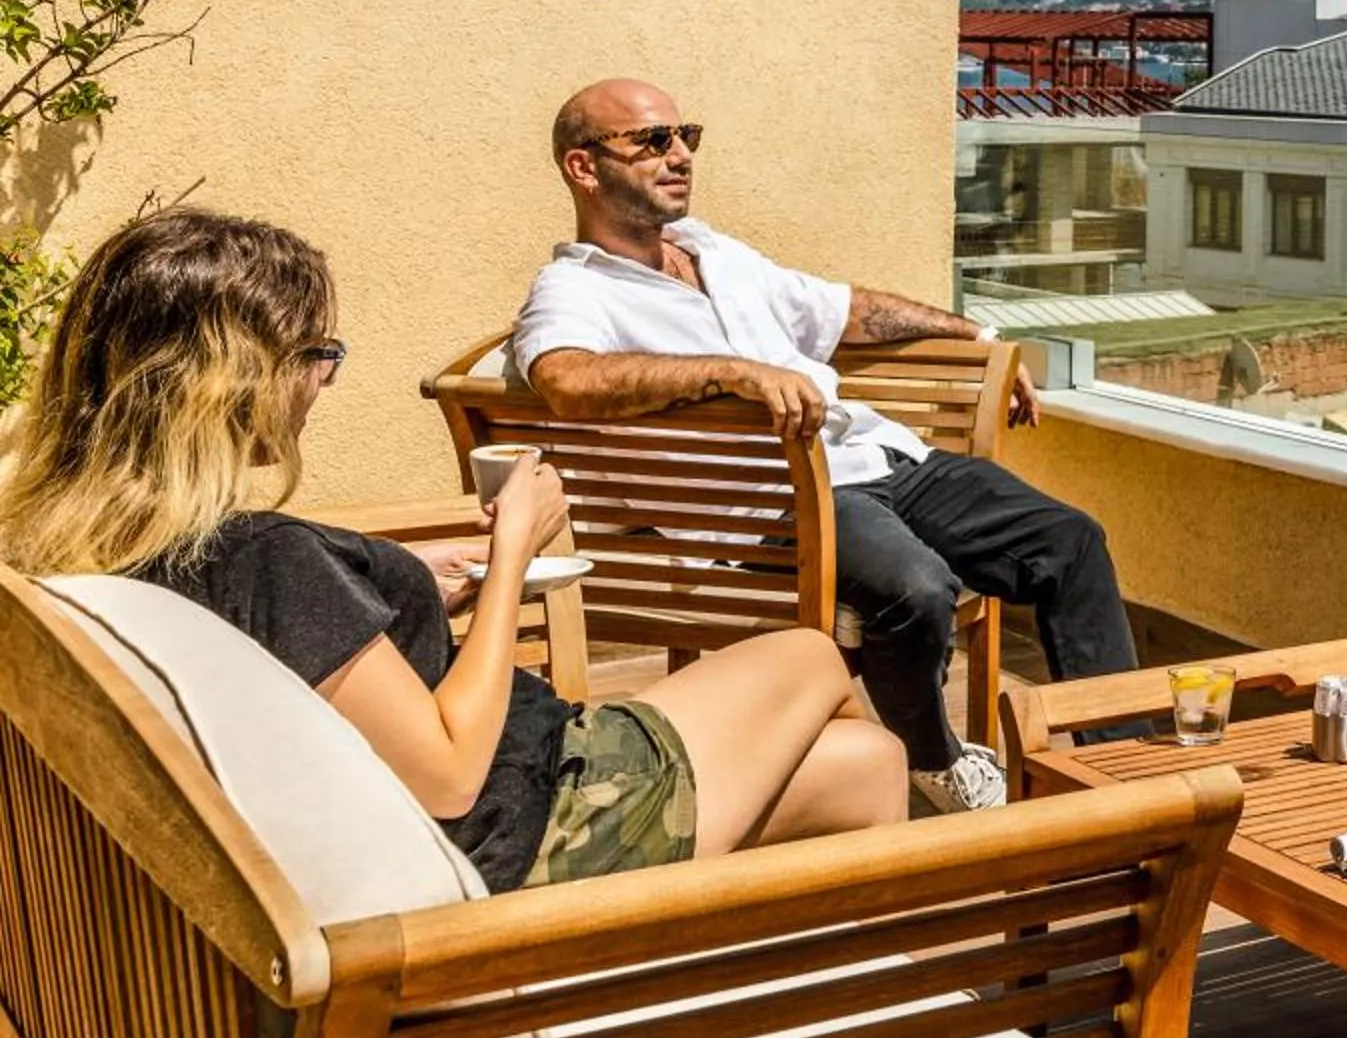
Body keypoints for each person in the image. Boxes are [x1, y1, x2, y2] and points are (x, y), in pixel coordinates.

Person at [0, 209, 907, 894]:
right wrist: (513, 557)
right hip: (529, 821)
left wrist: (412, 596)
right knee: (810, 653)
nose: (324, 381)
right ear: (235, 383)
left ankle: (806, 988)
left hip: (462, 815)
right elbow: (442, 773)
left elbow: (308, 656)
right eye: (318, 354)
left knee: (864, 765)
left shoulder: (83, 545)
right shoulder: (255, 557)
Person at [509, 79, 1136, 815]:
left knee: (1070, 541)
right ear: (584, 168)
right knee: (916, 589)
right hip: (788, 498)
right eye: (652, 142)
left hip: (879, 456)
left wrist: (979, 336)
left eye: (686, 137)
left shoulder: (715, 252)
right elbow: (566, 377)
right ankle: (934, 763)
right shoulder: (573, 288)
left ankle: (1120, 765)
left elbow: (848, 311)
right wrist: (728, 371)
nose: (679, 156)